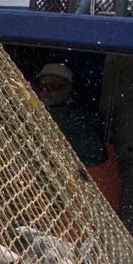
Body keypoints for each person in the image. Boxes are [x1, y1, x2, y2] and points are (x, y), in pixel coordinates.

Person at [34, 62, 121, 208]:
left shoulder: (75, 119)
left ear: (68, 88)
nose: (46, 92)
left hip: (87, 194)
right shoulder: (61, 113)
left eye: (53, 87)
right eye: (43, 87)